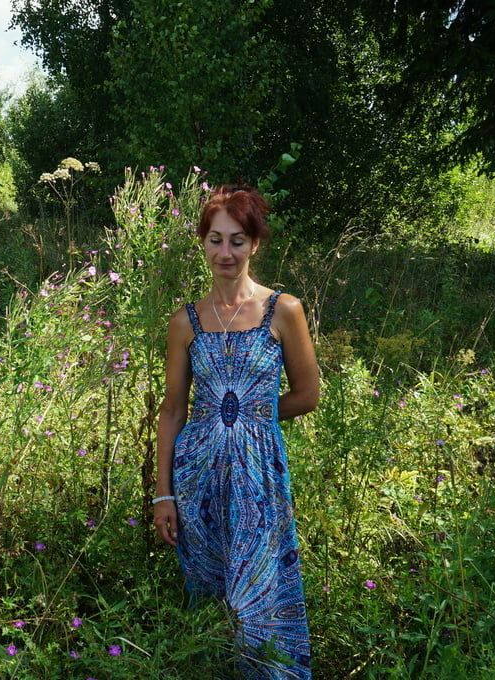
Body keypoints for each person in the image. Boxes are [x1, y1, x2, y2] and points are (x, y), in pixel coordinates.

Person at [153, 184, 320, 679]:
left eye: (238, 241)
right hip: (197, 478)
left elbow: (307, 395)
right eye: (215, 240)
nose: (225, 253)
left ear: (255, 245)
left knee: (260, 598)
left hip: (258, 480)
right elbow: (172, 411)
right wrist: (163, 494)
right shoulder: (185, 321)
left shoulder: (283, 311)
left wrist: (248, 416)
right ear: (202, 243)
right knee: (207, 594)